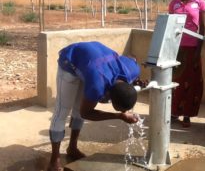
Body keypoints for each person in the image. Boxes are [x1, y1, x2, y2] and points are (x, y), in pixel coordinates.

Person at [47, 41, 141, 171]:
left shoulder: (132, 70)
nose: (124, 111)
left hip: (92, 60)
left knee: (77, 110)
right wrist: (119, 116)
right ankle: (54, 161)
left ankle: (72, 148)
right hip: (71, 60)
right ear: (109, 97)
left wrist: (136, 80)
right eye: (120, 108)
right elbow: (86, 113)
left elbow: (132, 57)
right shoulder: (98, 86)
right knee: (62, 110)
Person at [169, 0, 205, 128]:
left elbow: (203, 28)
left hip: (193, 48)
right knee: (175, 81)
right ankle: (174, 112)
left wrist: (199, 49)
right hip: (177, 48)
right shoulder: (174, 3)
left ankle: (187, 115)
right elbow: (171, 26)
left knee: (192, 83)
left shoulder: (200, 3)